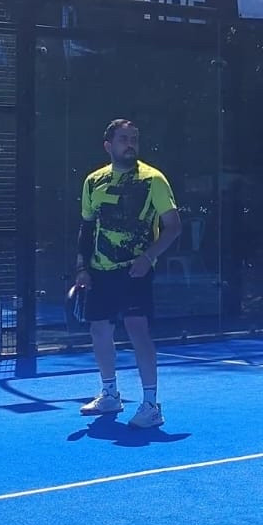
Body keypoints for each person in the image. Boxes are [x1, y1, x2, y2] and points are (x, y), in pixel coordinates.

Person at [72, 119, 181, 428]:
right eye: (123, 139)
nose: (130, 143)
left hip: (136, 270)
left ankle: (151, 405)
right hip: (100, 271)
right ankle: (110, 394)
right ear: (109, 146)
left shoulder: (153, 179)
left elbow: (173, 227)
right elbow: (86, 227)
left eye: (134, 138)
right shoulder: (93, 181)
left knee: (137, 329)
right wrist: (82, 267)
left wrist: (148, 258)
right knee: (99, 330)